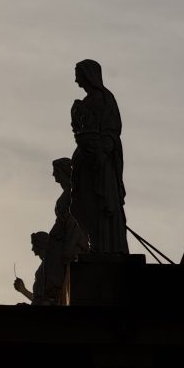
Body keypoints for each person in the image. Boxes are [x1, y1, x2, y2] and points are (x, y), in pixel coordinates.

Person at [69, 59, 129, 253]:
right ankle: (95, 244)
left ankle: (107, 247)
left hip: (102, 163)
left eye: (78, 75)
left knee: (102, 205)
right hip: (87, 161)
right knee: (84, 203)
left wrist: (102, 150)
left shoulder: (105, 98)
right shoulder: (83, 103)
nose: (76, 80)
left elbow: (112, 129)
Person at [44, 158, 88, 304]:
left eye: (55, 171)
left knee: (68, 279)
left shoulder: (72, 193)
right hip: (60, 240)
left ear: (62, 172)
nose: (53, 175)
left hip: (69, 240)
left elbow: (75, 222)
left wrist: (69, 247)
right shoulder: (67, 193)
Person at [13, 232, 49, 304]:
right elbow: (39, 301)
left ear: (41, 245)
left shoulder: (50, 265)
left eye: (34, 245)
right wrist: (23, 290)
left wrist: (23, 290)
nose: (32, 249)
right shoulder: (45, 267)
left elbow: (45, 301)